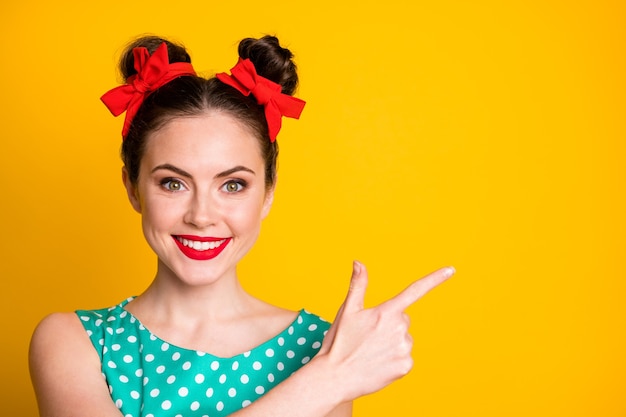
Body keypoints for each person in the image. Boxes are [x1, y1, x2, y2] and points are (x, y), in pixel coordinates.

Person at [29, 35, 455, 417]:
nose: (201, 215)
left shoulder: (321, 347)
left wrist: (331, 371)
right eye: (173, 183)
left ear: (268, 193)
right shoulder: (75, 342)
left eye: (232, 185)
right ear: (133, 188)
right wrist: (327, 382)